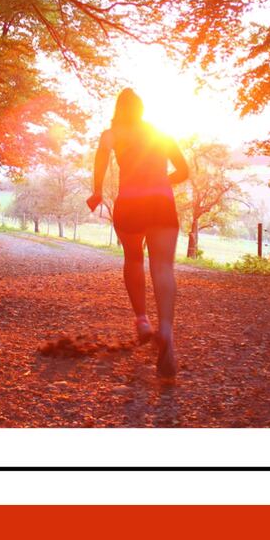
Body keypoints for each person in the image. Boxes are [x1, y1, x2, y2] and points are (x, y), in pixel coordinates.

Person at [86, 88, 189, 378]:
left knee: (133, 258)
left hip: (129, 204)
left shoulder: (111, 134)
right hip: (161, 203)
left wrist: (96, 191)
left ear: (118, 109)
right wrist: (161, 181)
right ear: (142, 110)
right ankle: (166, 331)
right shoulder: (161, 134)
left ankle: (142, 321)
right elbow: (183, 171)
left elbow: (100, 162)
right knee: (163, 267)